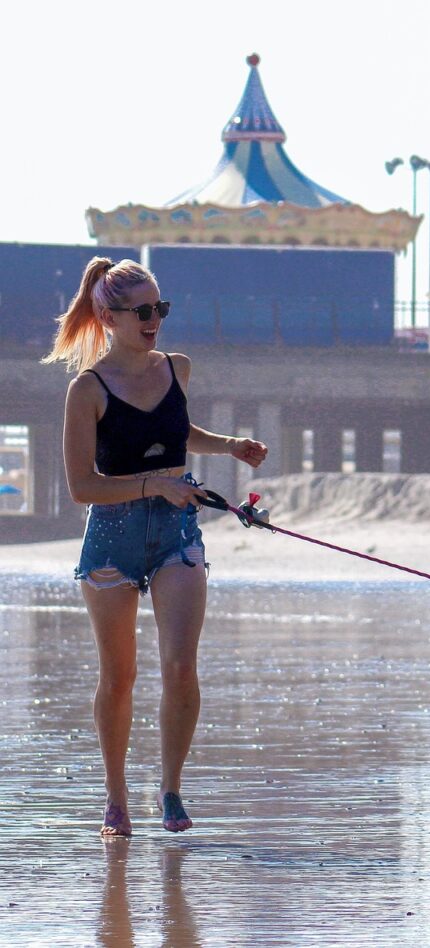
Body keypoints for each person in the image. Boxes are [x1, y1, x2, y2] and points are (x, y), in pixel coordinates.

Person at [42, 257, 268, 837]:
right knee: (119, 678)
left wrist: (229, 446)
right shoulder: (85, 390)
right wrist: (154, 484)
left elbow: (176, 429)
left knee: (180, 666)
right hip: (112, 537)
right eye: (143, 311)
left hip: (177, 533)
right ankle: (116, 798)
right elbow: (80, 486)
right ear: (107, 316)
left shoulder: (177, 368)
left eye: (160, 309)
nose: (154, 321)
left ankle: (170, 790)